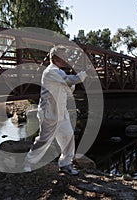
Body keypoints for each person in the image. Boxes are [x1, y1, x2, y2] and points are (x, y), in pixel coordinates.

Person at [23, 45, 88, 175]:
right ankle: (28, 163)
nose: (65, 59)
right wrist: (84, 73)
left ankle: (65, 164)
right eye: (62, 57)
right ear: (54, 58)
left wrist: (71, 84)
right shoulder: (50, 72)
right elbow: (70, 80)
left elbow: (68, 88)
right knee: (44, 140)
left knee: (68, 137)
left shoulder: (59, 72)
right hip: (49, 113)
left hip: (61, 112)